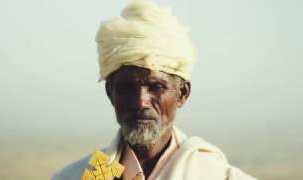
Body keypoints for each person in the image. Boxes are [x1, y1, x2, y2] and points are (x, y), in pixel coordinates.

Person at [52, 1, 256, 180]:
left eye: (156, 87)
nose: (141, 102)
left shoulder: (217, 175)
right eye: (127, 89)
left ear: (182, 94)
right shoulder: (73, 177)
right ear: (110, 93)